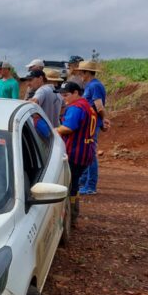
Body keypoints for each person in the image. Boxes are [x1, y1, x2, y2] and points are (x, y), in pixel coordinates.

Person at [55, 81, 97, 227]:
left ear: (76, 93)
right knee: (74, 184)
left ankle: (70, 218)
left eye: (66, 95)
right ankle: (73, 216)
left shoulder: (76, 107)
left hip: (75, 151)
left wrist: (53, 130)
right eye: (62, 95)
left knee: (69, 185)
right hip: (86, 151)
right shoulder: (88, 106)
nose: (63, 98)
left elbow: (68, 128)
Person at [78, 61, 109, 195]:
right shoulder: (91, 85)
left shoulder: (94, 85)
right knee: (87, 152)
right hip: (91, 123)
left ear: (87, 72)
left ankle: (90, 185)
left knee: (90, 154)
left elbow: (99, 105)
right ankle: (84, 181)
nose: (80, 75)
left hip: (92, 124)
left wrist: (104, 120)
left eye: (81, 72)